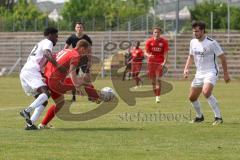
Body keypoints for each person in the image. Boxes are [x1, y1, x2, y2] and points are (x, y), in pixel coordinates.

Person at [38, 40, 100, 129]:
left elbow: (51, 59)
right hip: (55, 82)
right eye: (87, 51)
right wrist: (76, 85)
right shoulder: (76, 55)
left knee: (60, 103)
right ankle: (99, 97)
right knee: (84, 83)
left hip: (48, 79)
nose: (87, 54)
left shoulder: (65, 50)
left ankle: (42, 125)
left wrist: (44, 74)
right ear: (82, 49)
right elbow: (72, 71)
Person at [183, 21, 230, 125]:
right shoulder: (193, 42)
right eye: (194, 31)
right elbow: (191, 56)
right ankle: (199, 117)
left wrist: (226, 74)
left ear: (203, 31)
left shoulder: (212, 43)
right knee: (192, 97)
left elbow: (223, 58)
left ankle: (218, 117)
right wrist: (186, 68)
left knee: (206, 92)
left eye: (197, 31)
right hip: (199, 73)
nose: (195, 33)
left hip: (211, 71)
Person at [19, 27, 63, 130]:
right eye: (56, 36)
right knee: (46, 93)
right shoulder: (48, 42)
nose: (57, 38)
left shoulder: (41, 43)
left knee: (43, 100)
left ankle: (30, 124)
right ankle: (27, 111)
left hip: (25, 72)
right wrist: (58, 65)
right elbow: (47, 54)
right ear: (50, 35)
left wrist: (42, 74)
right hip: (31, 71)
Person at [64, 22, 92, 102]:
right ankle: (73, 97)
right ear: (75, 28)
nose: (79, 28)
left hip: (84, 60)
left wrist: (89, 60)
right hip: (74, 60)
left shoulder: (87, 38)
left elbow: (89, 50)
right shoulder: (71, 37)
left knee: (88, 78)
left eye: (80, 27)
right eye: (78, 27)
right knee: (73, 77)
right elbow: (65, 48)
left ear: (83, 29)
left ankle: (90, 95)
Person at [145, 27, 169, 103]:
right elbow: (145, 52)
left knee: (158, 79)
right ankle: (156, 95)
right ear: (153, 33)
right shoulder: (149, 41)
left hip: (160, 62)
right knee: (153, 81)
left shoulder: (164, 42)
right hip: (151, 63)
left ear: (160, 33)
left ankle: (158, 97)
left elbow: (165, 53)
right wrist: (148, 55)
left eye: (158, 32)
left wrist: (164, 61)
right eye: (155, 32)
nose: (156, 34)